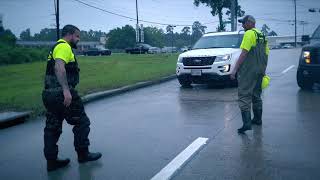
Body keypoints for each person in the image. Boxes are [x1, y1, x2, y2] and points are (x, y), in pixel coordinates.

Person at [42, 24, 102, 171]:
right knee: (81, 122)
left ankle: (52, 162)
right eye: (77, 36)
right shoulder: (63, 47)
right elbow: (59, 67)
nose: (78, 40)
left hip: (49, 94)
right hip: (61, 94)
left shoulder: (56, 47)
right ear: (69, 35)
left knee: (52, 127)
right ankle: (83, 154)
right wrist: (66, 90)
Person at [230, 15, 269, 134]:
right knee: (256, 95)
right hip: (260, 70)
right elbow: (266, 54)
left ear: (250, 23)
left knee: (244, 95)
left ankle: (246, 124)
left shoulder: (249, 34)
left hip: (248, 71)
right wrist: (263, 70)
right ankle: (257, 119)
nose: (242, 25)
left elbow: (244, 53)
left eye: (244, 23)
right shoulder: (262, 35)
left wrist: (234, 70)